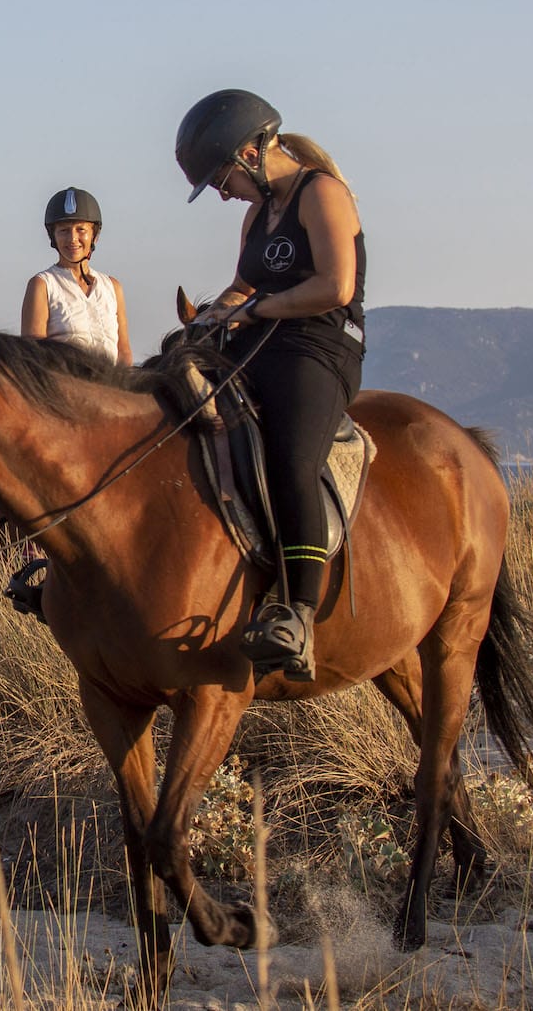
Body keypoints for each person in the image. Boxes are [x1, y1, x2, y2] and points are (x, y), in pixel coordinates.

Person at [174, 88, 366, 681]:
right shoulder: (258, 214)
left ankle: (298, 610)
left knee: (288, 458)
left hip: (319, 348)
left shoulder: (322, 193)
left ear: (251, 153)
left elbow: (335, 286)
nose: (224, 192)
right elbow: (241, 284)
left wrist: (257, 310)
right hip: (261, 340)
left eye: (223, 178)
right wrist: (210, 316)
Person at [20, 186, 133, 365]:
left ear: (94, 235)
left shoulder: (112, 287)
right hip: (63, 387)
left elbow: (123, 352)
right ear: (53, 237)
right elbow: (34, 353)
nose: (73, 238)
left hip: (111, 387)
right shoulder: (42, 285)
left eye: (81, 229)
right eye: (64, 230)